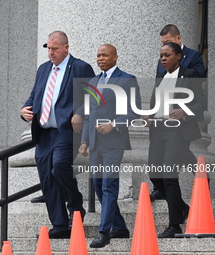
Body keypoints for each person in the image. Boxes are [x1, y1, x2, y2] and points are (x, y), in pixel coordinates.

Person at [21, 31, 95, 238]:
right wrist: (25, 109)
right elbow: (34, 96)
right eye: (48, 49)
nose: (50, 53)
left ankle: (76, 206)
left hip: (66, 131)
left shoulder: (80, 67)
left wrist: (80, 113)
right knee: (47, 178)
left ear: (66, 48)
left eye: (54, 49)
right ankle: (60, 225)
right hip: (44, 133)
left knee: (59, 167)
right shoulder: (43, 69)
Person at [79, 44, 141, 248]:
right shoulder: (94, 81)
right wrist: (84, 142)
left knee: (108, 185)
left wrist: (113, 124)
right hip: (95, 144)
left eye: (105, 55)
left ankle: (104, 232)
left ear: (116, 58)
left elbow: (133, 111)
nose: (100, 58)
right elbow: (89, 115)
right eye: (98, 55)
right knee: (98, 185)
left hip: (114, 143)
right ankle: (120, 227)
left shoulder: (127, 79)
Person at [145, 42, 205, 238]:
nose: (162, 58)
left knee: (169, 176)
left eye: (167, 55)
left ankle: (175, 225)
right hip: (159, 130)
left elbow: (201, 103)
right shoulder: (161, 77)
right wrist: (150, 116)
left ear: (178, 56)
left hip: (178, 132)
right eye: (161, 55)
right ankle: (182, 208)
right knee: (155, 174)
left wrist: (184, 111)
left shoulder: (190, 74)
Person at [150, 24, 206, 201]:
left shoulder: (194, 57)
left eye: (167, 43)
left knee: (174, 162)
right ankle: (169, 193)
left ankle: (200, 177)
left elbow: (198, 84)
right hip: (164, 120)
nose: (164, 57)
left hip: (182, 117)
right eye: (162, 44)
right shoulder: (164, 62)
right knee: (167, 163)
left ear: (178, 39)